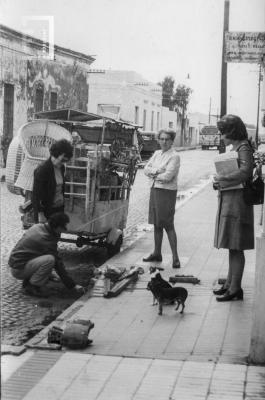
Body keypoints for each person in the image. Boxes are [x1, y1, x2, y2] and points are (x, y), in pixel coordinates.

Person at [213, 114, 254, 302]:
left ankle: (235, 288)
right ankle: (230, 284)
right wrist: (220, 182)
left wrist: (223, 179)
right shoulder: (237, 147)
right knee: (232, 245)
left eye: (223, 132)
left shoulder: (243, 147)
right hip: (231, 200)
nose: (222, 136)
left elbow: (245, 172)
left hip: (238, 203)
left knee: (236, 246)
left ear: (232, 131)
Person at [8, 212, 85, 297]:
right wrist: (72, 285)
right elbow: (58, 264)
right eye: (64, 226)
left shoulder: (38, 227)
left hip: (18, 264)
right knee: (50, 259)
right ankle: (32, 287)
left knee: (48, 264)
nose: (65, 229)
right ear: (57, 226)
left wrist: (50, 274)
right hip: (19, 270)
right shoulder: (45, 238)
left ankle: (28, 281)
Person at [143, 129, 181, 268]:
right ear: (158, 140)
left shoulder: (174, 156)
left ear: (172, 141)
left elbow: (168, 177)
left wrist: (154, 173)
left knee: (167, 224)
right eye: (162, 139)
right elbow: (146, 169)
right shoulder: (157, 153)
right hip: (155, 189)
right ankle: (157, 253)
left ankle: (175, 257)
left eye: (167, 139)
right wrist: (156, 172)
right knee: (156, 223)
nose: (164, 142)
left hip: (166, 192)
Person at [32, 139, 73, 223]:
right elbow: (36, 195)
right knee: (46, 236)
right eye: (62, 160)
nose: (64, 163)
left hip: (58, 209)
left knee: (56, 235)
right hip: (46, 212)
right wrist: (41, 214)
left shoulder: (61, 167)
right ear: (55, 155)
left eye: (66, 161)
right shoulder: (43, 169)